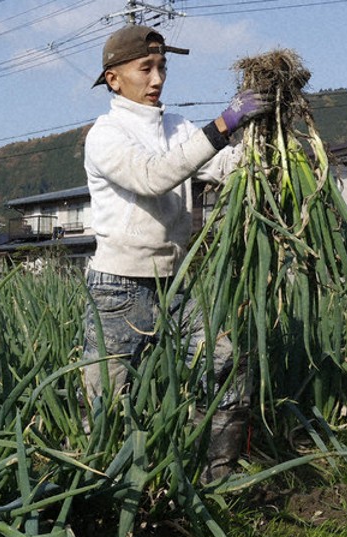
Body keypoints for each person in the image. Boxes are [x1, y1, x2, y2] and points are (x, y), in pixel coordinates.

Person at [81, 24, 268, 482]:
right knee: (109, 398)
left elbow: (221, 165)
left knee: (225, 362)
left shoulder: (177, 127)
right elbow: (153, 176)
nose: (157, 79)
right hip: (118, 290)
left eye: (162, 67)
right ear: (113, 78)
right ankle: (102, 490)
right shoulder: (105, 135)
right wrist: (222, 124)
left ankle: (217, 480)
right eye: (145, 68)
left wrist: (261, 136)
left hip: (176, 283)